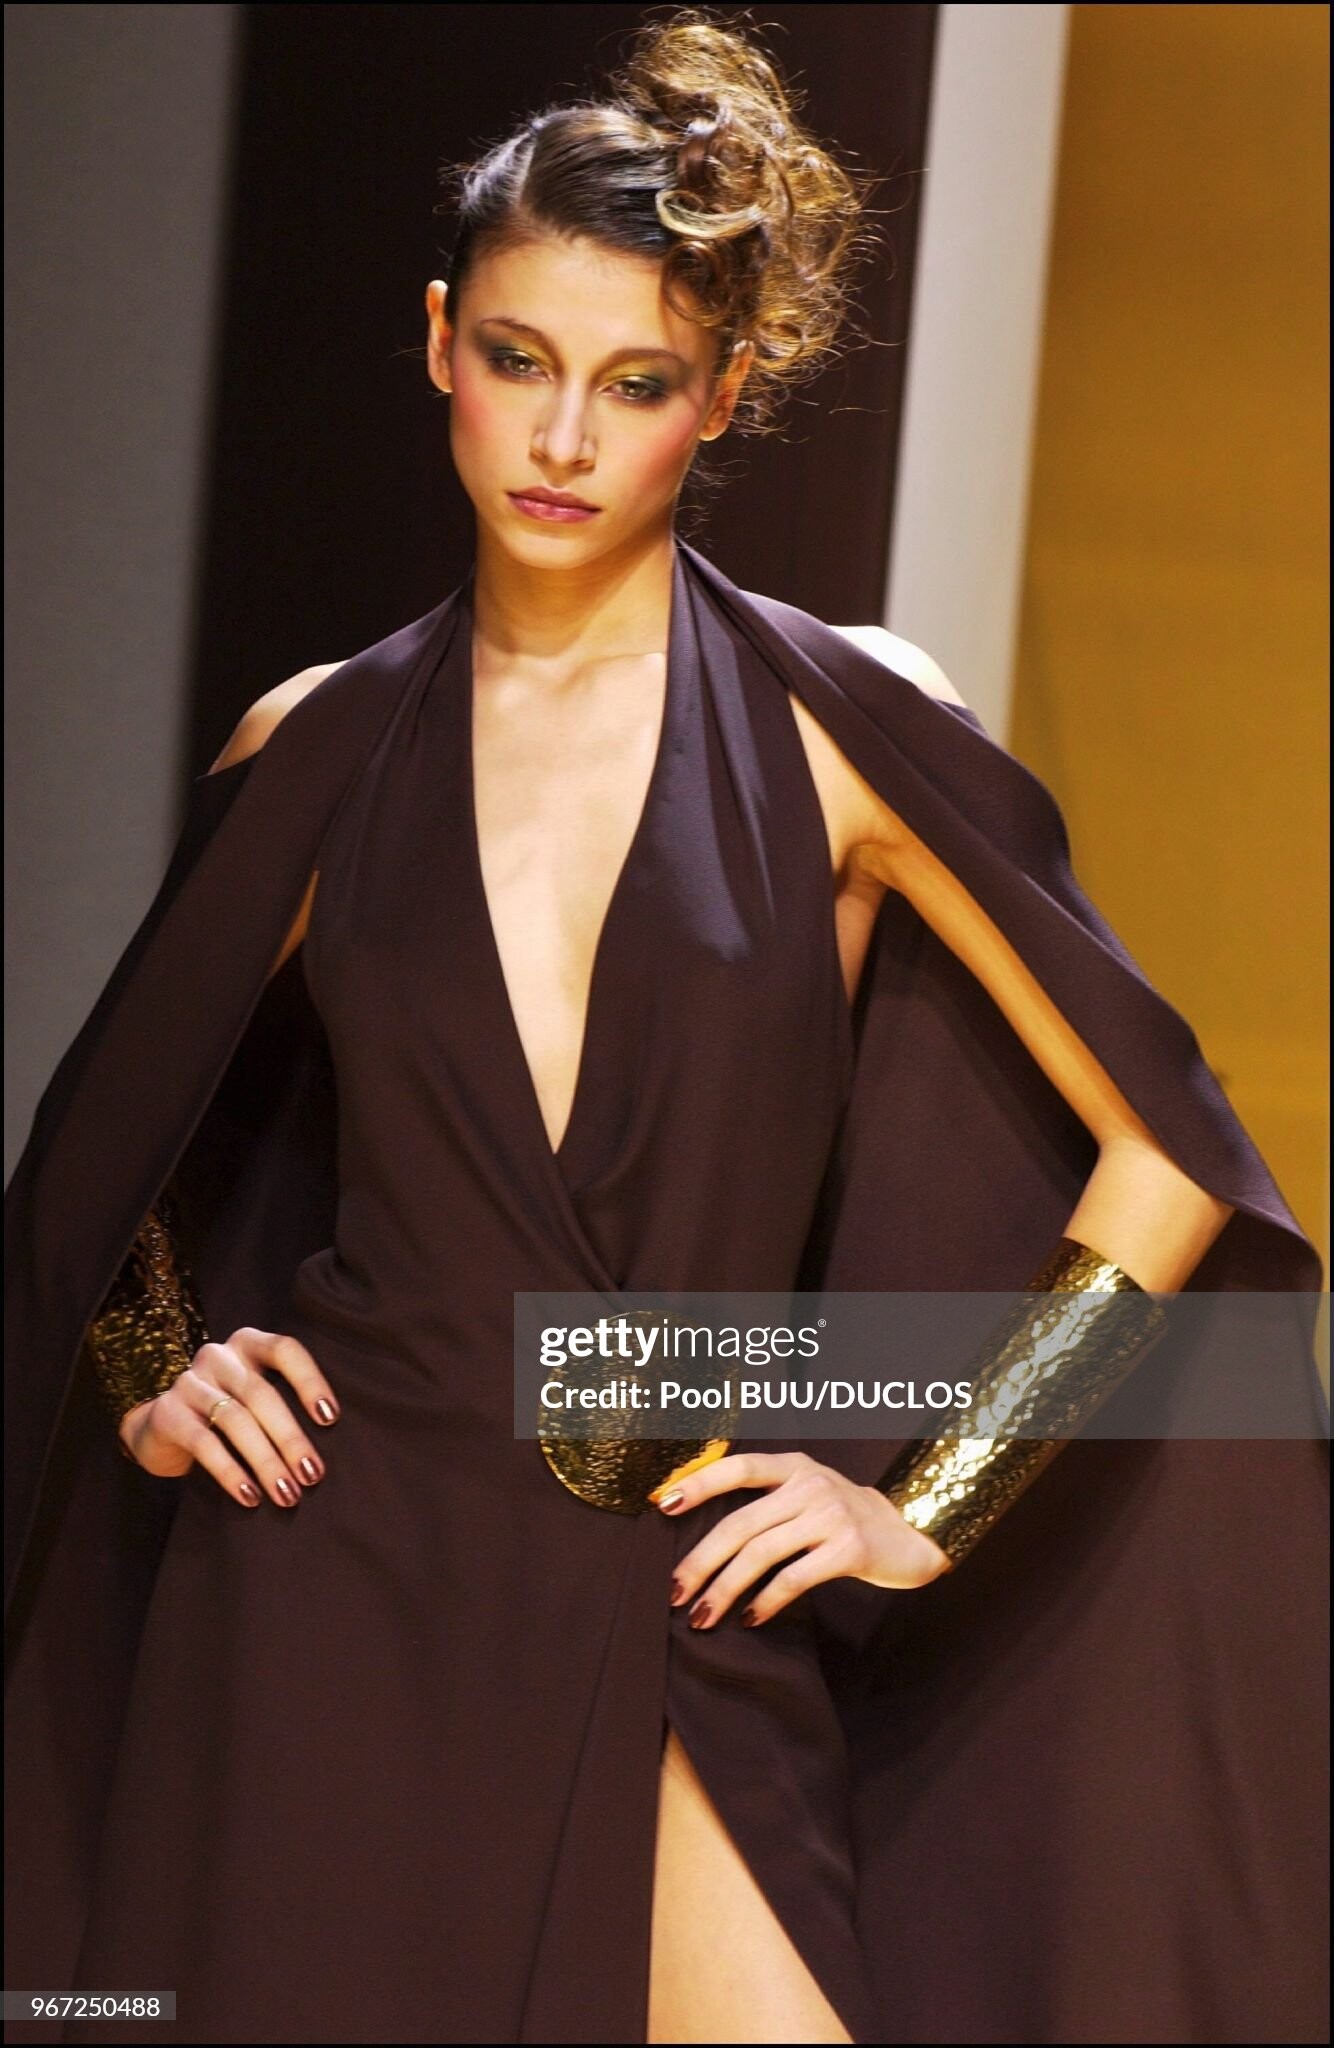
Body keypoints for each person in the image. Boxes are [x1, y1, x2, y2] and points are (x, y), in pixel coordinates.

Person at [4, 13, 1327, 2047]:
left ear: (718, 396)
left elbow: (1167, 1156)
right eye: (517, 358)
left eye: (632, 384)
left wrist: (923, 1500)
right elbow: (104, 1160)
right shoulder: (315, 745)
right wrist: (162, 1366)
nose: (560, 436)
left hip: (673, 1588)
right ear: (439, 342)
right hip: (325, 1588)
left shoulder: (844, 726)